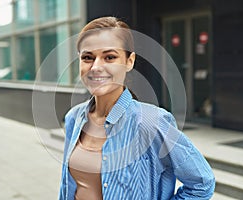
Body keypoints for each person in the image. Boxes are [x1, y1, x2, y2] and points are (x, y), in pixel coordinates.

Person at [58, 16, 215, 200]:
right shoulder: (74, 118)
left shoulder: (151, 122)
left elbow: (202, 183)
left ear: (129, 61)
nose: (96, 67)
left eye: (109, 57)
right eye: (87, 57)